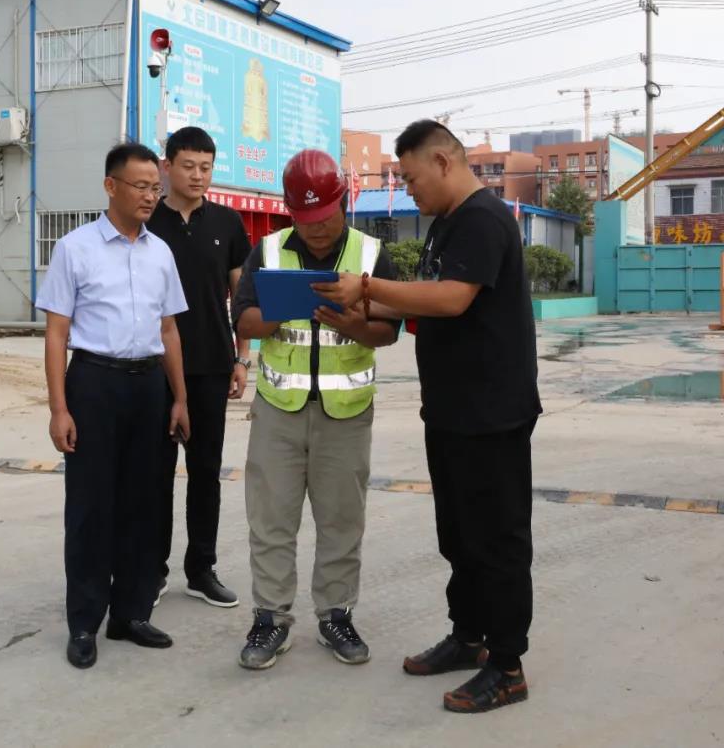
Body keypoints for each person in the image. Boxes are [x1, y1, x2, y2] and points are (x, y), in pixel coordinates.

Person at [314, 120, 542, 713]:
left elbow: (452, 297)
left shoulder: (483, 218)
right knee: (459, 535)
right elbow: (429, 304)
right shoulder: (448, 223)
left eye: (411, 178)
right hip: (452, 409)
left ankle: (507, 665)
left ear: (442, 162)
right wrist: (362, 313)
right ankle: (468, 636)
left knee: (496, 539)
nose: (408, 189)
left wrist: (367, 288)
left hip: (492, 412)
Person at [231, 149, 399, 670]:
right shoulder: (268, 251)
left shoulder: (371, 255)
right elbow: (243, 320)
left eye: (325, 217)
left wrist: (351, 324)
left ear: (342, 203)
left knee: (342, 521)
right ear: (290, 211)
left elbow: (390, 329)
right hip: (278, 409)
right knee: (271, 519)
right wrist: (281, 311)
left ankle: (335, 615)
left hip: (346, 413)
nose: (316, 229)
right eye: (305, 219)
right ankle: (271, 619)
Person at [36, 142, 191, 670]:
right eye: (141, 186)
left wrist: (180, 398)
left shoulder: (160, 252)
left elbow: (169, 331)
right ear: (111, 186)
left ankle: (131, 613)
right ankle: (84, 622)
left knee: (145, 504)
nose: (150, 196)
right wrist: (59, 408)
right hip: (94, 384)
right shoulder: (75, 249)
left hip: (149, 387)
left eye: (155, 188)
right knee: (91, 507)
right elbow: (56, 334)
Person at [147, 127, 251, 609]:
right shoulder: (148, 221)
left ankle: (201, 569)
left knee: (206, 472)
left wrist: (242, 357)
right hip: (152, 366)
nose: (197, 176)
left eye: (205, 167)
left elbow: (240, 296)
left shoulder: (228, 223)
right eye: (188, 166)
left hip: (211, 364)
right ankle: (151, 569)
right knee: (154, 472)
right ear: (167, 167)